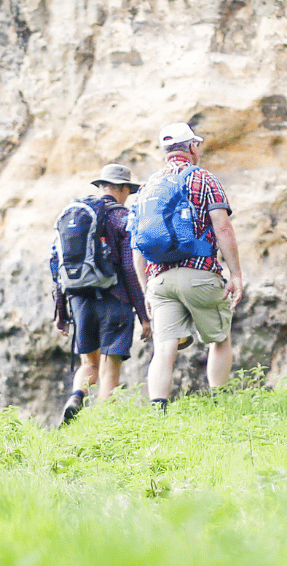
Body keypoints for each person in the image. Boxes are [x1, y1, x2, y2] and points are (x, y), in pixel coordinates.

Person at [132, 123, 244, 410]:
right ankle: (221, 405)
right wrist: (236, 274)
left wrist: (146, 290)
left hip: (160, 280)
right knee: (219, 338)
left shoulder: (147, 188)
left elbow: (137, 244)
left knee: (164, 347)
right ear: (192, 147)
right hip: (200, 274)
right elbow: (223, 226)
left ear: (165, 152)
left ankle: (159, 411)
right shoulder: (204, 179)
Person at [50, 163, 150, 425]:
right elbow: (130, 268)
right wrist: (144, 315)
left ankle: (76, 396)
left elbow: (56, 264)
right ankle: (103, 425)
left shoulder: (76, 217)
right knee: (110, 368)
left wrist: (61, 312)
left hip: (80, 301)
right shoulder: (122, 219)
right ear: (123, 188)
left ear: (101, 186)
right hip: (114, 300)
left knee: (89, 364)